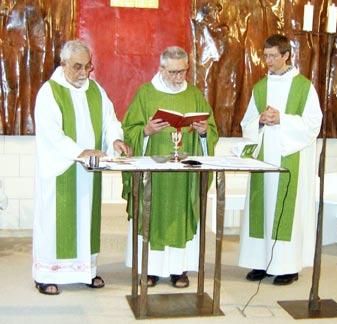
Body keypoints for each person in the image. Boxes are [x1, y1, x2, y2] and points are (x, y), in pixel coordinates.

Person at [32, 39, 132, 295]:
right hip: (61, 172)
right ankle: (46, 274)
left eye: (88, 67)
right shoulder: (50, 92)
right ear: (63, 63)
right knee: (56, 222)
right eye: (77, 67)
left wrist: (115, 140)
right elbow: (51, 135)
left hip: (88, 173)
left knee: (86, 220)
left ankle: (85, 271)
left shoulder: (96, 90)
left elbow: (111, 121)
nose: (83, 73)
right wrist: (80, 152)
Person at [122, 46, 218, 288]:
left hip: (184, 175)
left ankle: (179, 269)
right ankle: (150, 269)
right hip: (153, 173)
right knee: (152, 215)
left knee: (181, 214)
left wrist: (205, 132)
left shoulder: (195, 94)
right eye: (173, 72)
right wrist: (145, 131)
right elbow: (129, 130)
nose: (179, 77)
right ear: (161, 68)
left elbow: (212, 129)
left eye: (183, 72)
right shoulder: (145, 93)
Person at [238, 34, 322, 285]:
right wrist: (260, 120)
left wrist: (282, 119)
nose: (268, 61)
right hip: (264, 157)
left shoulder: (304, 86)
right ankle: (261, 262)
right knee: (261, 207)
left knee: (287, 209)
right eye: (265, 55)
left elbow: (312, 123)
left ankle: (287, 266)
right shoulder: (260, 87)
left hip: (290, 156)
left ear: (286, 55)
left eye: (273, 56)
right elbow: (247, 121)